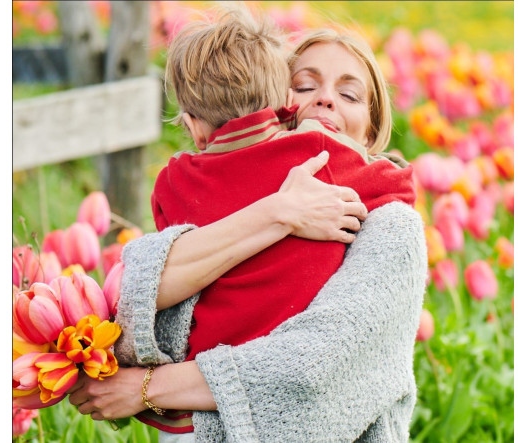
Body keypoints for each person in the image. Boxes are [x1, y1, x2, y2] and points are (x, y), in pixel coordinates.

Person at [67, 8, 427, 443]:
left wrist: (146, 389)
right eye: (305, 86)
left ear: (370, 135)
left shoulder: (393, 226)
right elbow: (139, 297)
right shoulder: (233, 192)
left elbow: (311, 367)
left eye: (349, 95)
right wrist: (279, 211)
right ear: (274, 106)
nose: (326, 99)